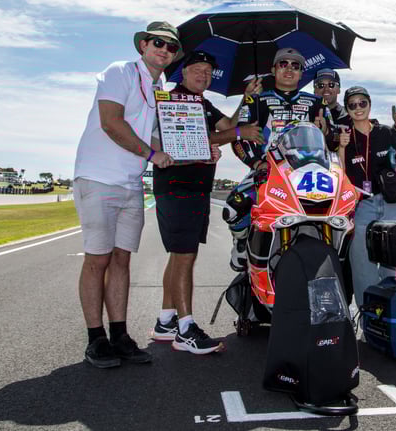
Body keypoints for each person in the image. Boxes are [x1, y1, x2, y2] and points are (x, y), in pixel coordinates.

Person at [72, 21, 180, 368]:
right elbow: (111, 122)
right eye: (159, 43)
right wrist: (152, 156)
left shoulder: (161, 85)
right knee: (98, 259)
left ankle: (119, 334)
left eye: (172, 47)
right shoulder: (119, 71)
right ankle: (95, 339)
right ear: (144, 45)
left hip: (131, 183)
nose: (165, 50)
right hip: (99, 177)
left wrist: (192, 148)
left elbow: (153, 138)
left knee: (121, 259)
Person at [149, 51, 264, 354]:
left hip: (197, 187)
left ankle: (166, 320)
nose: (203, 76)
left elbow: (227, 125)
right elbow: (194, 136)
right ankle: (186, 329)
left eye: (208, 72)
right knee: (184, 255)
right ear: (183, 73)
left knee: (181, 255)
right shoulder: (172, 99)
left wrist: (246, 99)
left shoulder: (203, 102)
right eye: (197, 70)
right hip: (177, 186)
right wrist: (236, 134)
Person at [224, 47, 335, 271]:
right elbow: (237, 140)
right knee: (233, 209)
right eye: (283, 64)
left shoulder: (316, 104)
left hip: (308, 175)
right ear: (273, 70)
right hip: (268, 172)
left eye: (296, 66)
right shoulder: (256, 102)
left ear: (302, 73)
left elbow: (333, 143)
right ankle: (241, 241)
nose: (289, 69)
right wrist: (257, 163)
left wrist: (327, 133)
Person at [336, 86, 396, 308]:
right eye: (352, 105)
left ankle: (393, 315)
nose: (358, 108)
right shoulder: (343, 136)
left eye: (362, 103)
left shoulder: (387, 133)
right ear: (347, 109)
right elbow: (341, 175)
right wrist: (341, 148)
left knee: (393, 263)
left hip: (393, 203)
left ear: (370, 104)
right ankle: (369, 317)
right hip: (362, 206)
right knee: (363, 265)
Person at [313, 67, 396, 151]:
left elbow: (378, 138)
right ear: (314, 89)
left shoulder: (352, 112)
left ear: (338, 89)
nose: (326, 89)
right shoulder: (305, 113)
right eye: (320, 85)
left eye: (331, 85)